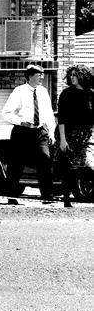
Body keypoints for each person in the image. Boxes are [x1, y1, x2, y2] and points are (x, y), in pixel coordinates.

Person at [2, 64, 56, 201]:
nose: (42, 78)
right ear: (30, 77)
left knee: (45, 159)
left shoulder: (43, 92)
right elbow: (6, 113)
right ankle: (12, 196)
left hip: (40, 131)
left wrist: (51, 133)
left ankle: (47, 196)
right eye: (39, 75)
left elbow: (49, 114)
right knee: (16, 164)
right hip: (23, 132)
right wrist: (21, 122)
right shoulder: (19, 91)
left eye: (43, 75)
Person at [56, 65, 94, 207]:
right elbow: (62, 118)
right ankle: (66, 199)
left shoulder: (91, 94)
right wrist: (63, 140)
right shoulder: (66, 94)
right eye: (70, 75)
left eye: (74, 75)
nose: (72, 78)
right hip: (68, 134)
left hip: (87, 135)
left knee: (88, 164)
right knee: (69, 167)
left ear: (82, 76)